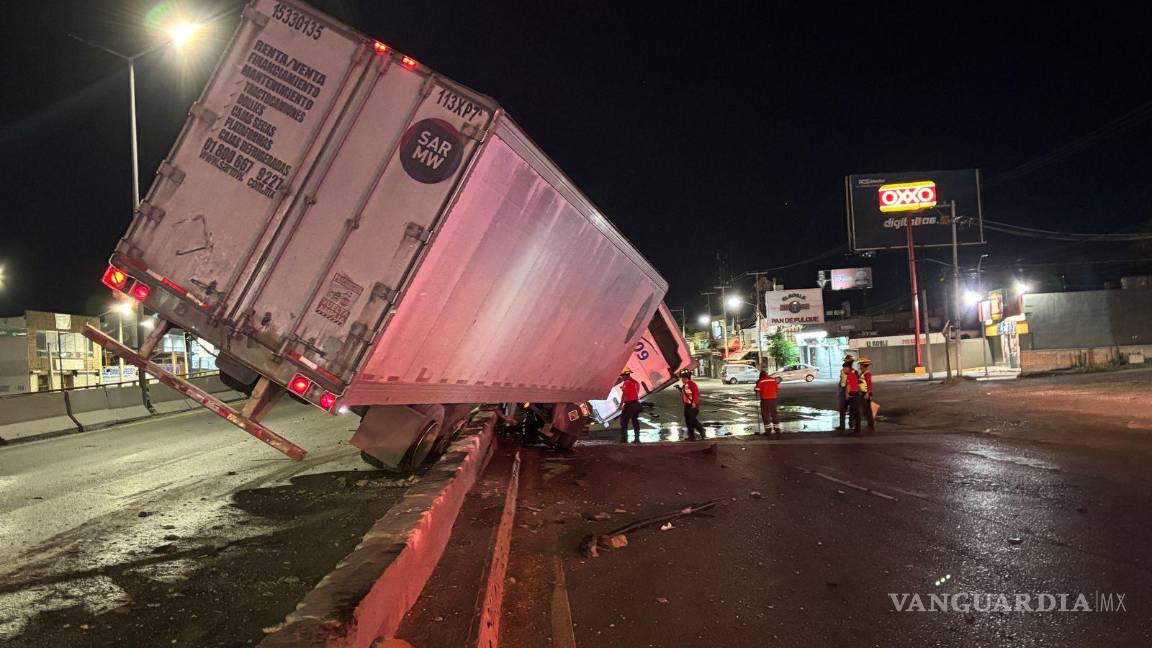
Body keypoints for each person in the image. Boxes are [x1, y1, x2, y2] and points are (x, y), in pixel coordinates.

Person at [678, 369, 707, 441]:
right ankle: (691, 436)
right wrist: (679, 389)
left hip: (692, 405)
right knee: (688, 421)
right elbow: (685, 393)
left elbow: (696, 394)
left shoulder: (692, 384)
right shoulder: (685, 385)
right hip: (687, 405)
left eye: (682, 378)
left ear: (686, 378)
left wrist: (694, 402)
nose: (681, 379)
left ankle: (702, 431)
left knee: (692, 420)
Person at [837, 356, 861, 435]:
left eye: (846, 361)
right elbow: (843, 381)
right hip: (846, 390)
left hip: (851, 392)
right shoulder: (844, 371)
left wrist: (848, 393)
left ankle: (853, 425)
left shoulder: (853, 372)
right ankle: (843, 425)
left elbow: (853, 383)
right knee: (843, 408)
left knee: (853, 410)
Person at [618, 368, 642, 442]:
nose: (622, 377)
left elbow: (625, 395)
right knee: (635, 421)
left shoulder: (627, 382)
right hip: (636, 404)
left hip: (630, 404)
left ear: (625, 375)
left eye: (622, 376)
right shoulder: (635, 382)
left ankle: (624, 439)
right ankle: (637, 439)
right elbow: (635, 392)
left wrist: (620, 405)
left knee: (624, 421)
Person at [754, 370, 781, 436]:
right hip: (773, 399)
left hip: (765, 400)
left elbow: (757, 390)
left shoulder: (761, 380)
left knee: (765, 415)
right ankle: (777, 430)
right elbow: (777, 389)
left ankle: (768, 431)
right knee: (774, 414)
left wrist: (757, 384)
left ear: (761, 375)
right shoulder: (773, 380)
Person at [858, 357, 875, 431]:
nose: (860, 366)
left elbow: (869, 384)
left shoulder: (867, 374)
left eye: (861, 365)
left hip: (866, 393)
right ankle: (870, 423)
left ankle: (870, 424)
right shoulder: (862, 373)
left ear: (863, 366)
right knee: (866, 409)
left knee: (867, 409)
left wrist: (867, 393)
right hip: (863, 393)